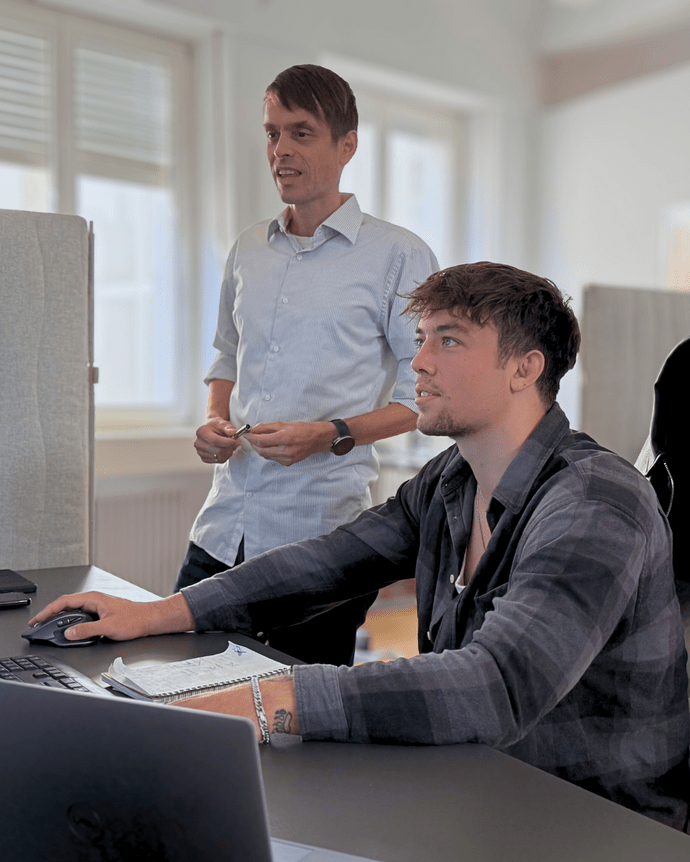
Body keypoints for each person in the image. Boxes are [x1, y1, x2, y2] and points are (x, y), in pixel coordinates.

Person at [33, 262, 690, 829]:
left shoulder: (596, 502)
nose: (420, 362)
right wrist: (159, 612)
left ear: (525, 368)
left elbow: (494, 687)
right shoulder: (451, 482)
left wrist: (269, 700)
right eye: (421, 339)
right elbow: (325, 562)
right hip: (483, 785)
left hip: (596, 819)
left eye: (449, 340)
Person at [177, 64, 438, 666]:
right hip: (222, 525)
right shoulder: (247, 248)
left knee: (301, 724)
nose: (281, 151)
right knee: (174, 687)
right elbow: (225, 354)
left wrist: (332, 434)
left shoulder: (399, 255)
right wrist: (215, 418)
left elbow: (423, 391)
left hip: (319, 537)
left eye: (301, 132)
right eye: (272, 134)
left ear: (346, 145)